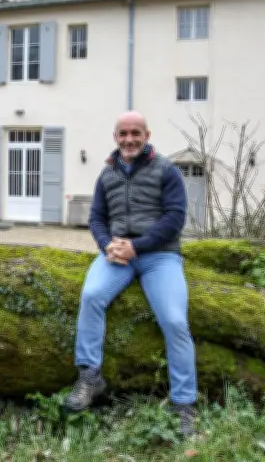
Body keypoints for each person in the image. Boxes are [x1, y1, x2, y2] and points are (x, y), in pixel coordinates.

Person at [62, 111, 198, 437]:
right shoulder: (106, 174)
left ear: (147, 135)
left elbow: (175, 218)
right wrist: (107, 244)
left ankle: (184, 404)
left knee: (175, 321)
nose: (129, 139)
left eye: (136, 133)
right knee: (91, 296)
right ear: (115, 137)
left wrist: (137, 247)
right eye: (123, 133)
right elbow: (96, 218)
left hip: (160, 256)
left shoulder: (166, 170)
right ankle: (90, 377)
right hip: (117, 255)